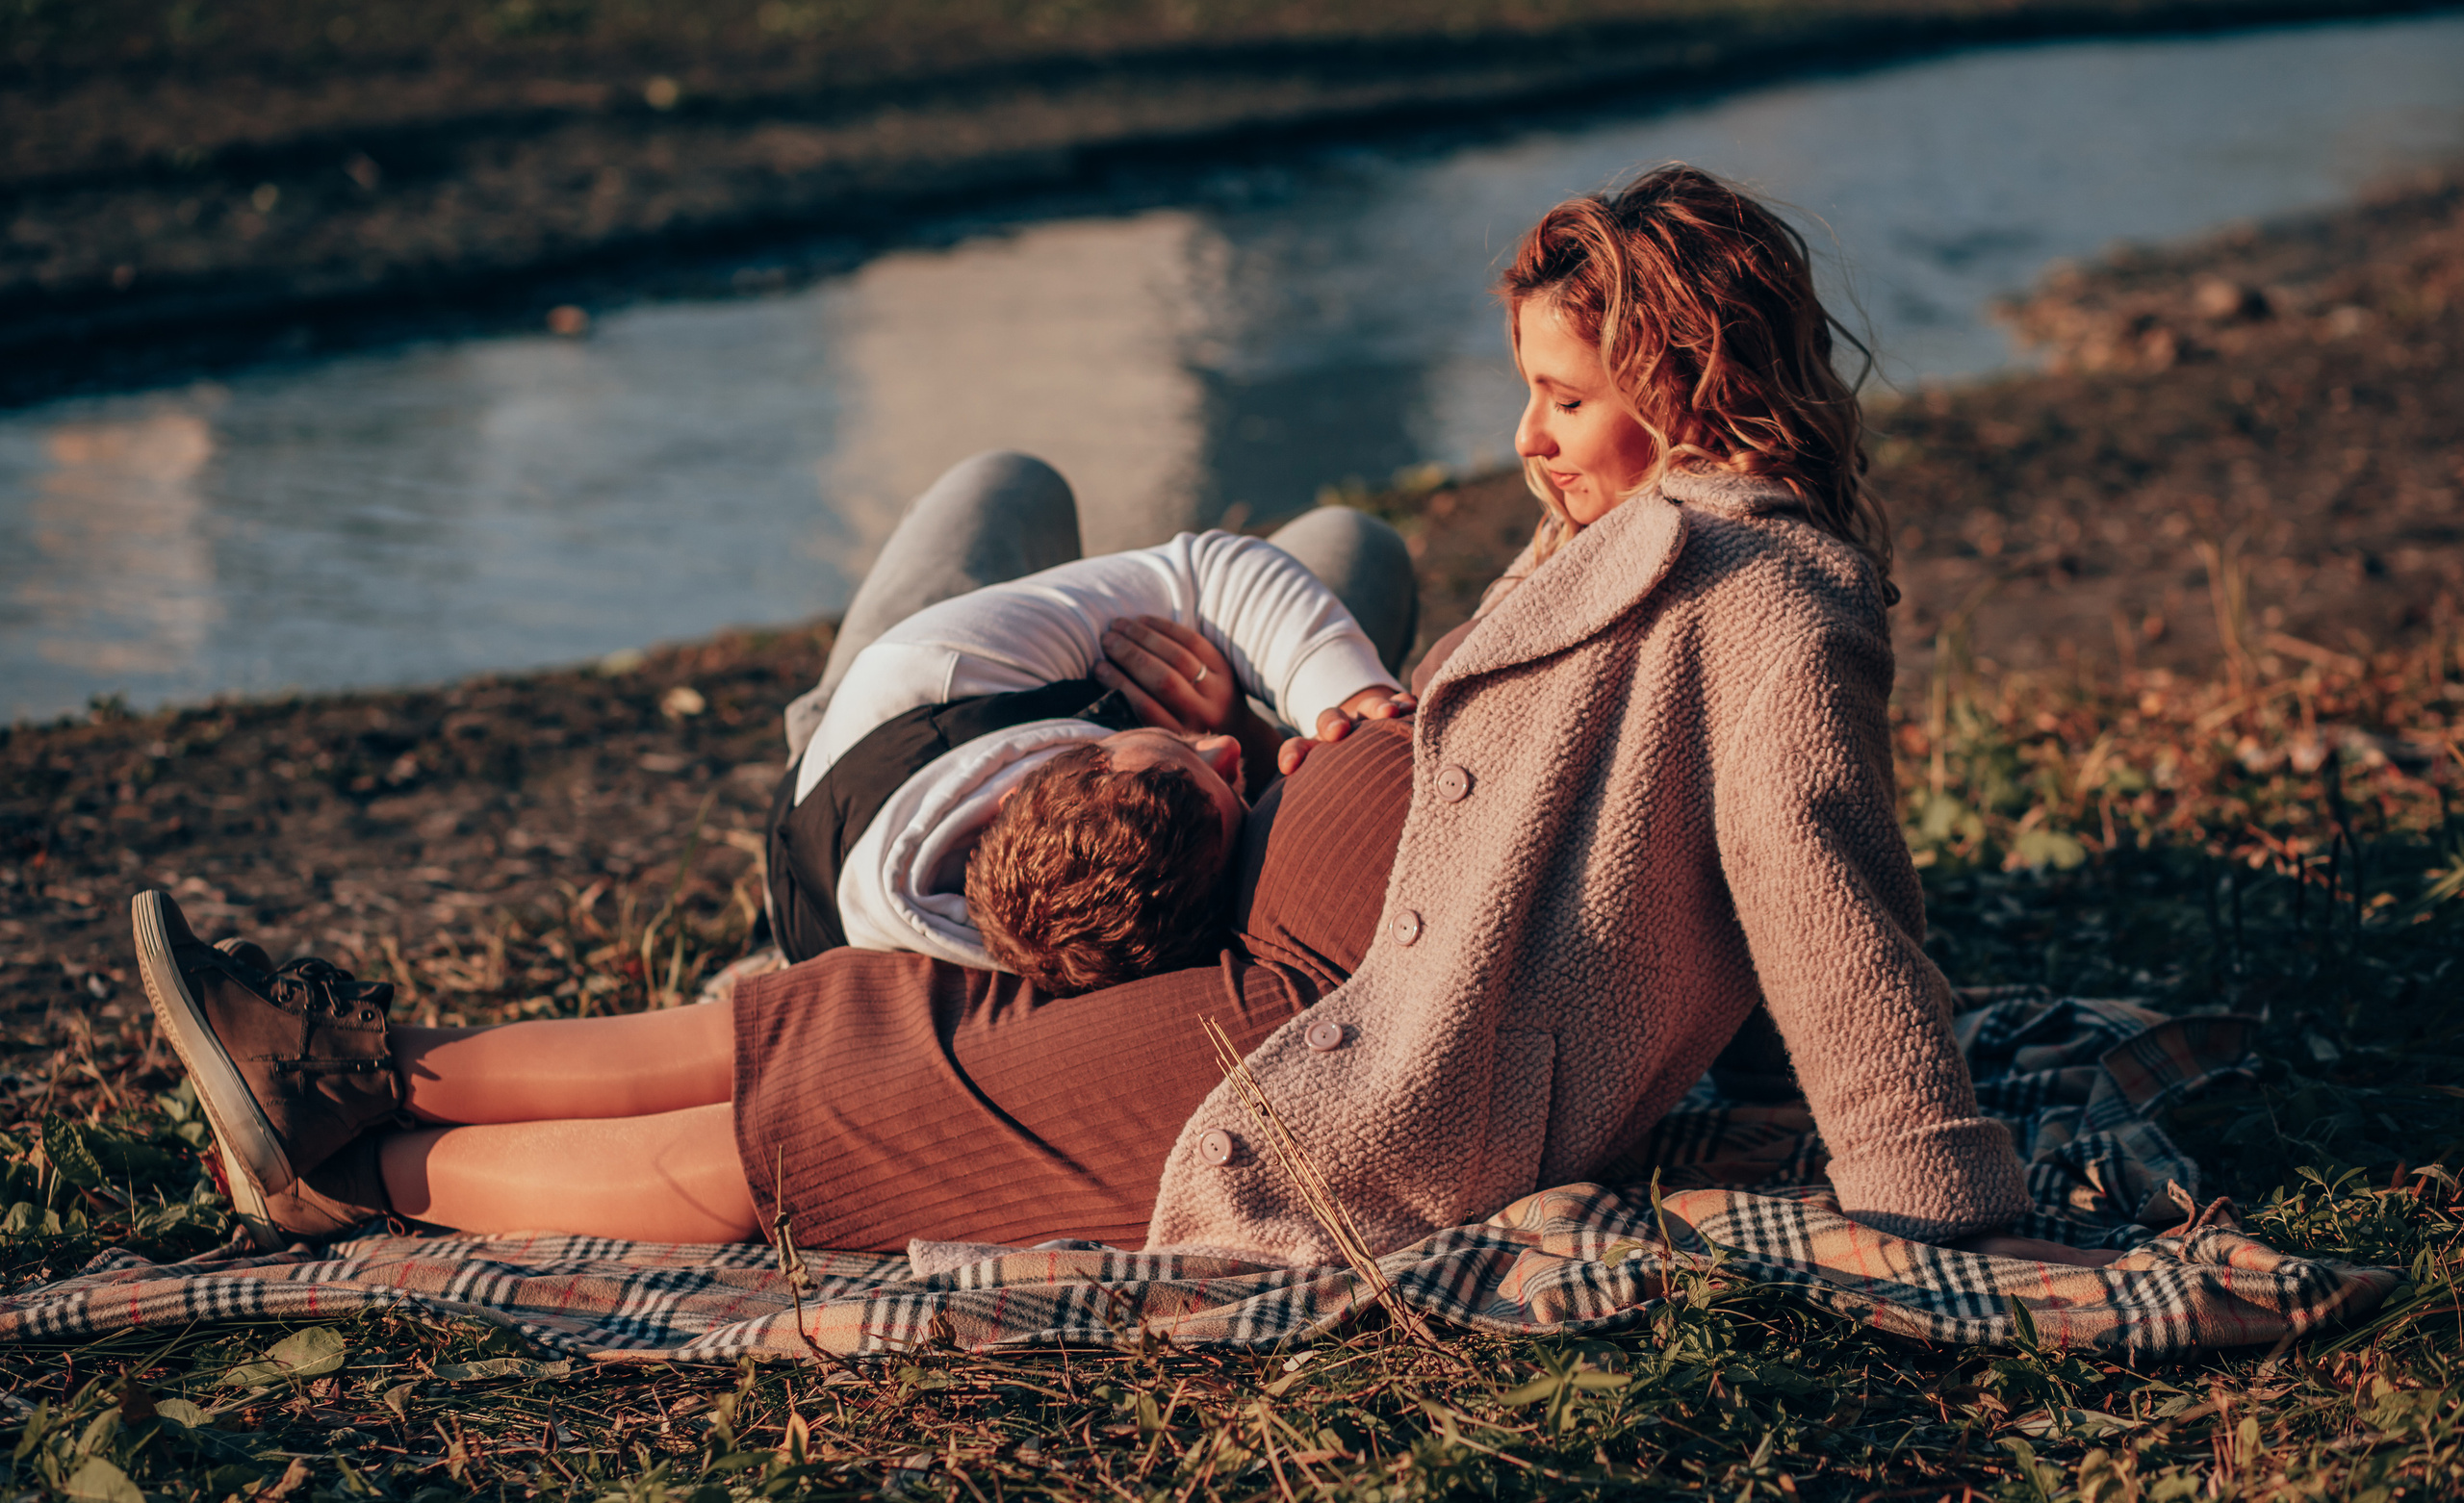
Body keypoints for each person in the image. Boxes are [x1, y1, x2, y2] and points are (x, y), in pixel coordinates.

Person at [136, 165, 2110, 1269]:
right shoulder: (1680, 540)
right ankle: (362, 1058)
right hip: (1303, 960)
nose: (1523, 446)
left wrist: (1926, 1176)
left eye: (1567, 399)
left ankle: (356, 1175)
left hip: (1335, 1058)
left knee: (841, 1119)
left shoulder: (1766, 587)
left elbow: (1806, 873)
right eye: (1523, 390)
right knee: (839, 1014)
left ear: (1691, 373)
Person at [758, 450, 1411, 993]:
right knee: (1356, 543)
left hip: (862, 730)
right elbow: (1211, 585)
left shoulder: (941, 666)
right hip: (865, 812)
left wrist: (1329, 695)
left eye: (1192, 755)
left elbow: (1213, 570)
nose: (1223, 747)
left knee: (1010, 480)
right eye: (1233, 785)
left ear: (1010, 798)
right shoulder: (1128, 936)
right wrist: (1301, 717)